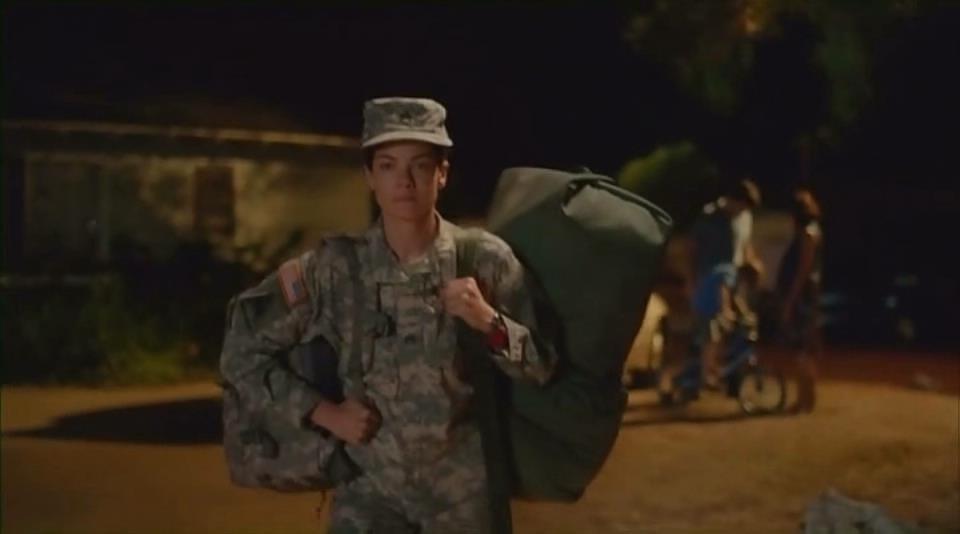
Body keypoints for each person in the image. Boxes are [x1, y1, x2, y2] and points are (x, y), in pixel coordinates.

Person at [220, 97, 556, 533]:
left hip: (462, 496)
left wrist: (488, 320)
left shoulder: (484, 259)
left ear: (442, 174)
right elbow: (242, 352)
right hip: (368, 492)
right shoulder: (334, 268)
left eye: (420, 165)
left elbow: (542, 366)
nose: (404, 181)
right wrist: (326, 413)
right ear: (369, 177)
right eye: (387, 166)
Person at [683, 179, 763, 394]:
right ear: (732, 200)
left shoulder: (744, 217)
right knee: (711, 331)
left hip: (733, 280)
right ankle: (701, 377)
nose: (742, 212)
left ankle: (731, 378)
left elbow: (745, 246)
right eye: (741, 207)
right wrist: (690, 280)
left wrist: (753, 264)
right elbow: (691, 249)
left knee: (743, 327)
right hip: (710, 281)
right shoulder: (709, 216)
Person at [776, 189, 823, 413]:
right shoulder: (810, 232)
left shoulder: (807, 234)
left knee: (803, 351)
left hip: (802, 298)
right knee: (804, 351)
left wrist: (790, 301)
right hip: (805, 296)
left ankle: (806, 399)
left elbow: (803, 270)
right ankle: (805, 399)